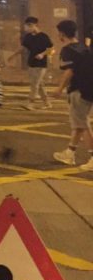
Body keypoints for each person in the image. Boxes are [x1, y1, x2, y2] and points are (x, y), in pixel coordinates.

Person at [51, 20, 93, 171]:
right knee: (79, 123)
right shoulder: (84, 47)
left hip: (78, 90)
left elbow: (70, 71)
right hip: (89, 89)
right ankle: (70, 152)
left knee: (83, 124)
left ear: (62, 34)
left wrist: (59, 88)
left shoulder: (68, 50)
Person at [9, 17, 53, 110]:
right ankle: (47, 103)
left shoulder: (43, 36)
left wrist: (42, 54)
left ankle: (30, 103)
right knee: (39, 84)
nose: (27, 28)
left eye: (28, 26)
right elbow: (23, 48)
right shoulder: (28, 37)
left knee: (34, 84)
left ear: (34, 25)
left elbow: (51, 49)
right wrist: (13, 55)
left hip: (41, 65)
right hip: (31, 63)